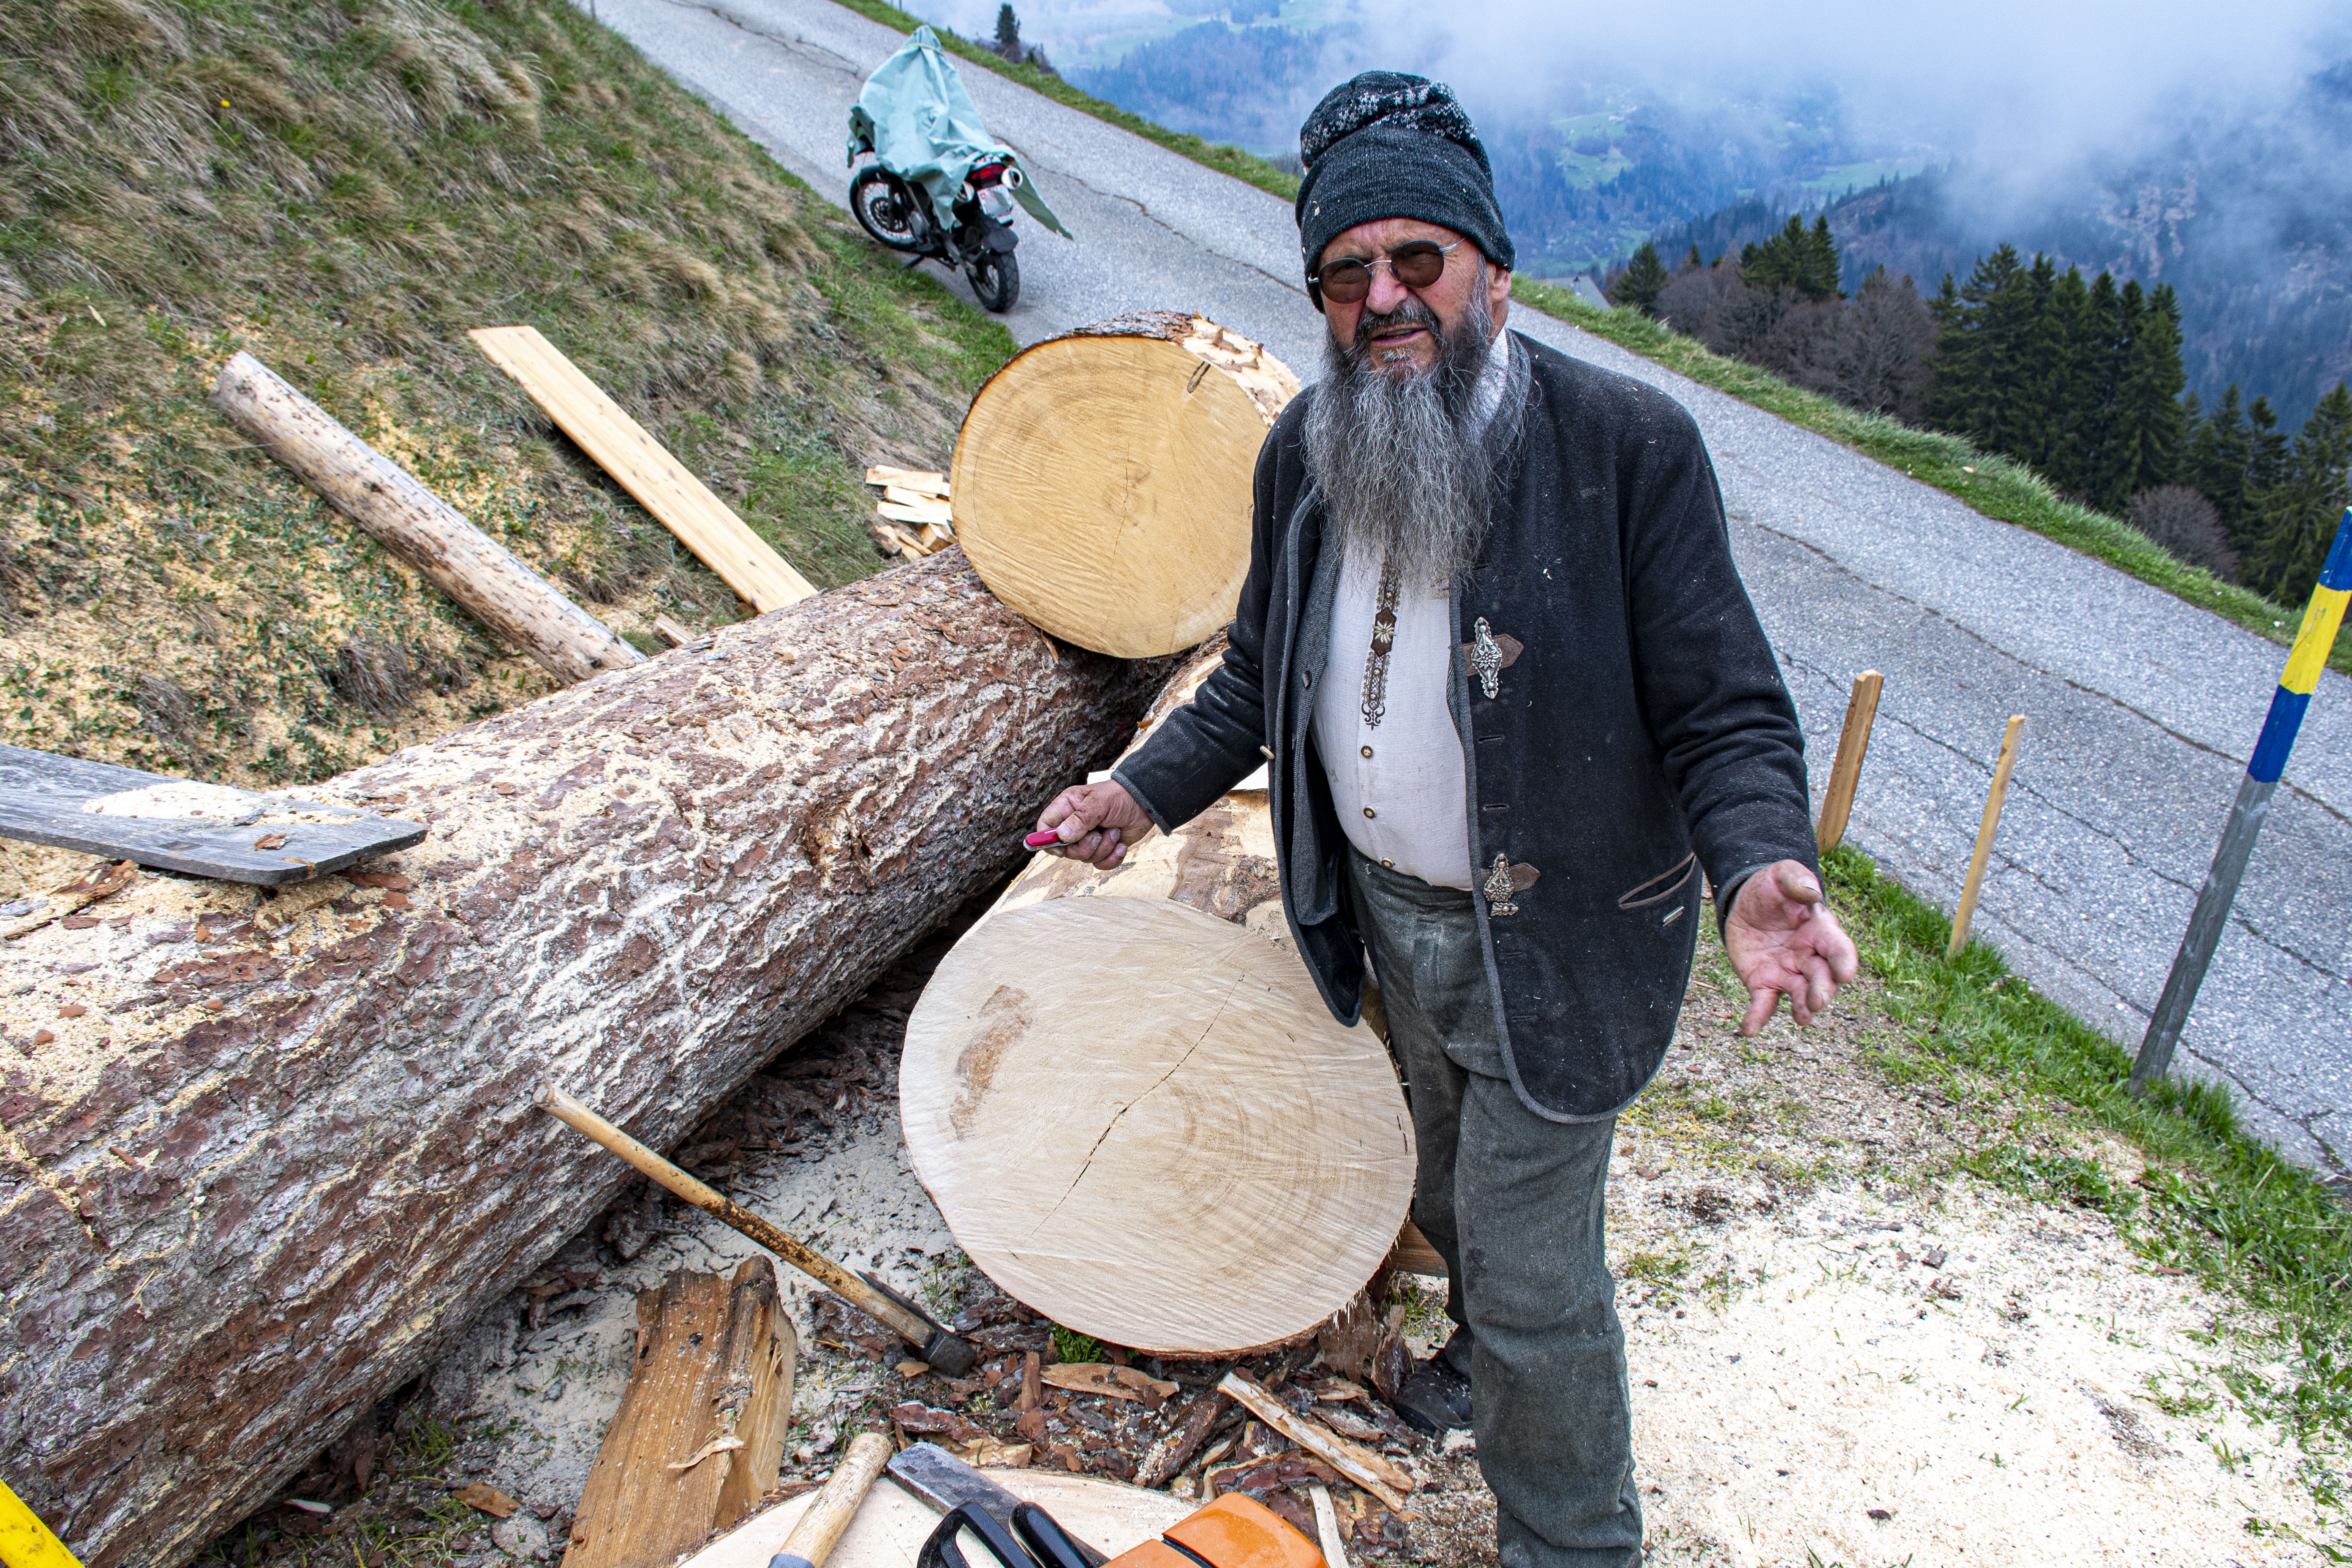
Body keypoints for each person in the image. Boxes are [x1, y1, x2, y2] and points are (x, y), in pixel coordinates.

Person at [1033, 71, 1857, 1568]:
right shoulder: (1306, 453)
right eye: (1348, 274)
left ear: (1491, 270)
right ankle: (1480, 1362)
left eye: (1419, 260)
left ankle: (1576, 1543)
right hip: (1383, 919)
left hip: (1561, 933)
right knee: (1445, 1187)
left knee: (1544, 1275)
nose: (1385, 297)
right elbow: (1257, 680)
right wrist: (1133, 794)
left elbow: (1727, 706)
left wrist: (1760, 859)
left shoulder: (1630, 447)